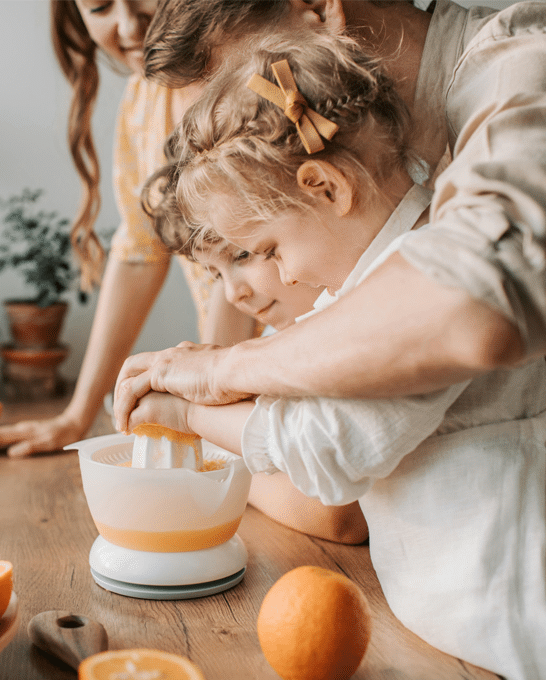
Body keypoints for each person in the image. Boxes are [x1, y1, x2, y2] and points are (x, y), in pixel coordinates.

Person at [128, 37, 546, 680]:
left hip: (514, 631)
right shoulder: (374, 280)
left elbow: (327, 449)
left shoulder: (416, 278)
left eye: (263, 249)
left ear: (325, 186)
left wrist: (187, 415)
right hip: (459, 635)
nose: (269, 279)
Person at [113, 0, 542, 430]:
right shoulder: (382, 160)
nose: (242, 142)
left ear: (318, 11)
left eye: (246, 102)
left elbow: (477, 309)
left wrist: (222, 370)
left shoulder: (522, 69)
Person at [0, 0, 257, 460]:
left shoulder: (251, 71)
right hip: (229, 396)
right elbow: (139, 251)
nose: (128, 25)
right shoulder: (144, 98)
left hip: (283, 376)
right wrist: (77, 416)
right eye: (99, 7)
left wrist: (211, 405)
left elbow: (240, 254)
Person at [142, 164, 366, 543]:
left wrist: (210, 453)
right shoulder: (286, 334)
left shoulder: (346, 324)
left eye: (243, 254)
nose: (233, 294)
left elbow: (338, 517)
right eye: (215, 275)